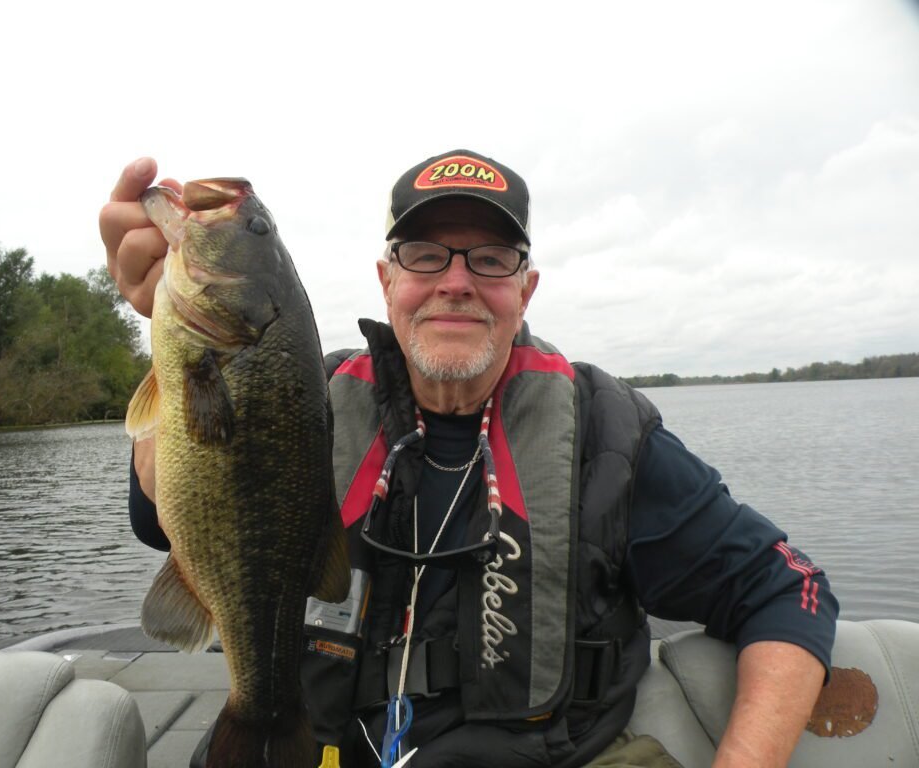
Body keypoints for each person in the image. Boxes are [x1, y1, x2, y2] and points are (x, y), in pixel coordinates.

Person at [101, 150, 837, 768]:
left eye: (490, 258)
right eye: (425, 255)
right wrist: (166, 346)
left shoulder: (608, 437)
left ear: (526, 287)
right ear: (388, 281)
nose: (456, 282)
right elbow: (167, 516)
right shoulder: (304, 402)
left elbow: (787, 588)